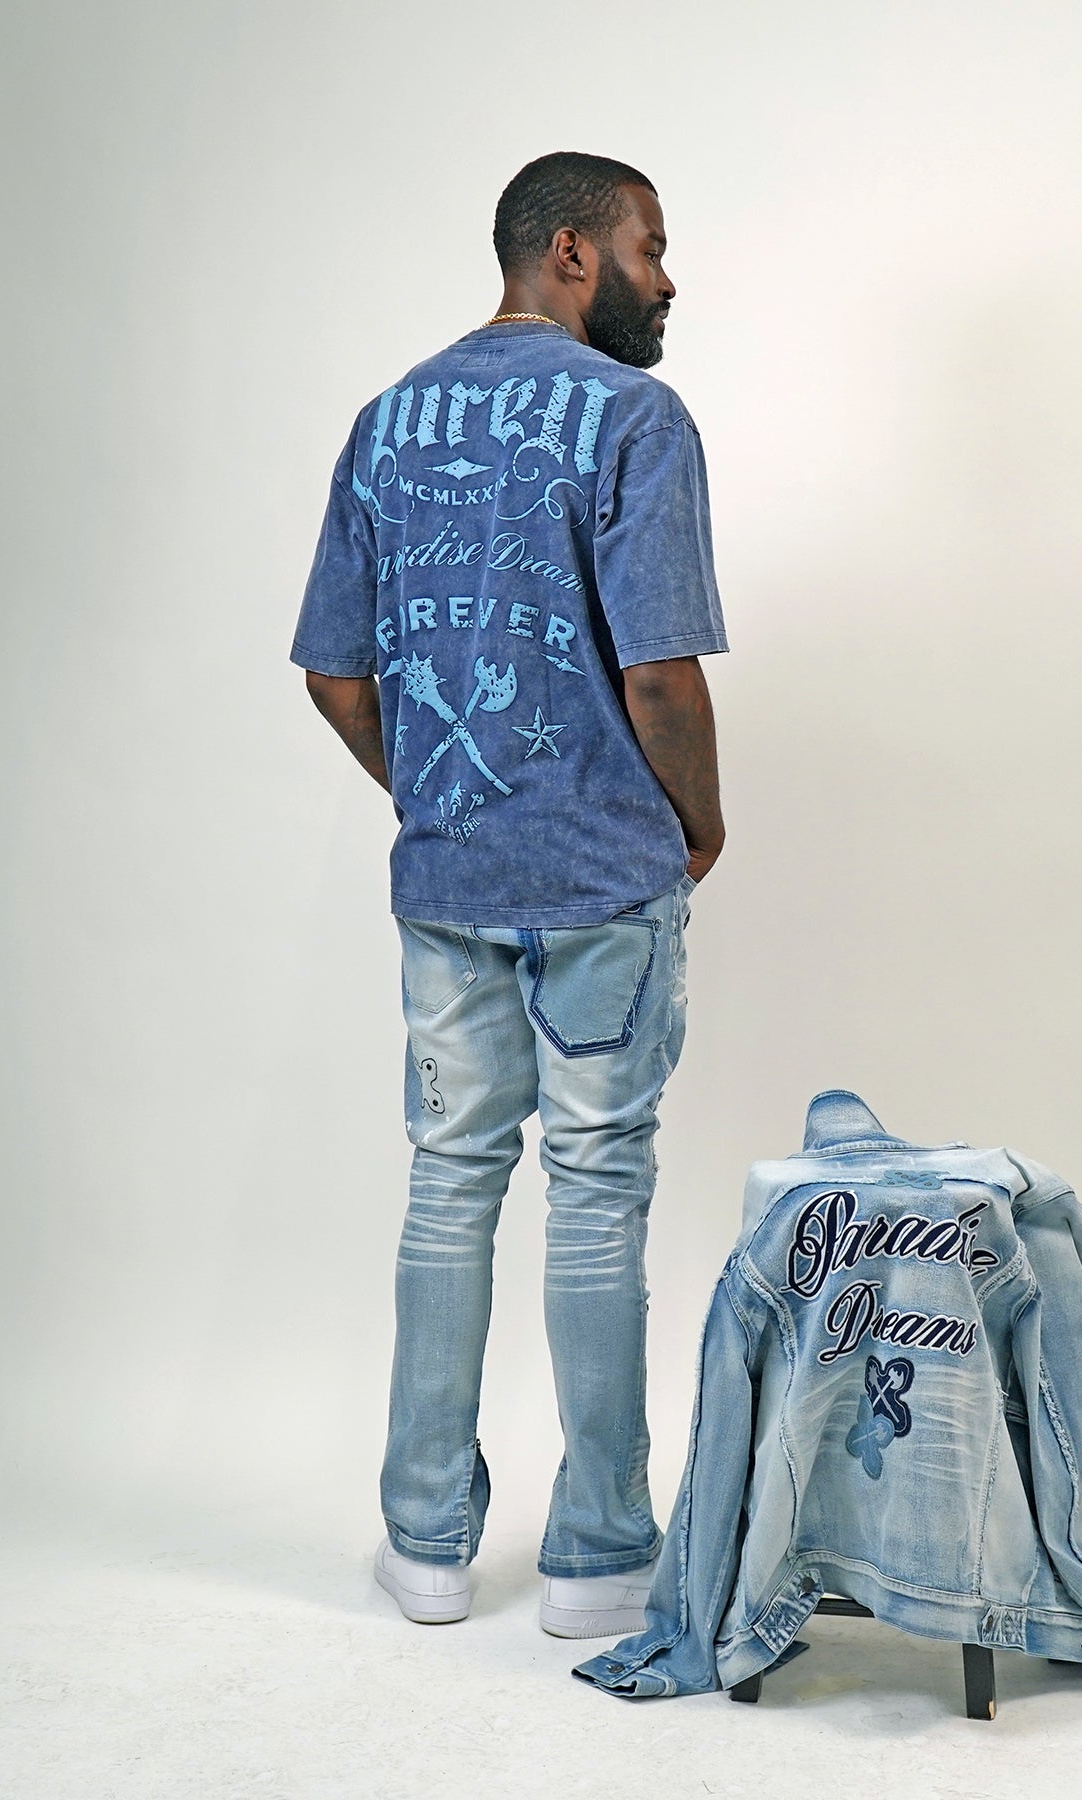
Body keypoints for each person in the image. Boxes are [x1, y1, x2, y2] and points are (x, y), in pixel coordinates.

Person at [290, 151, 726, 1638]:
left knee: (449, 1183)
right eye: (650, 248)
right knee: (595, 1194)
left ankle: (423, 1545)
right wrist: (699, 823)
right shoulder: (637, 419)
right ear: (572, 252)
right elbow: (658, 675)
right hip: (603, 874)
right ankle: (596, 1559)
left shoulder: (386, 421)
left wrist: (436, 792)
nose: (668, 279)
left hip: (450, 877)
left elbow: (335, 676)